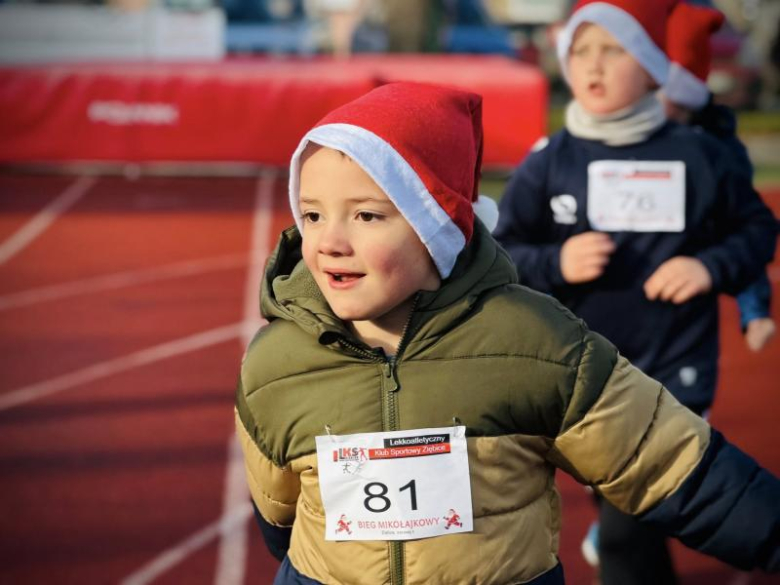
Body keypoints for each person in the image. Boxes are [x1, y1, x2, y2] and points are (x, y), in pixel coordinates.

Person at [235, 81, 779, 584]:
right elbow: (281, 521)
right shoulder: (276, 364)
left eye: (367, 216)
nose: (329, 241)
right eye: (310, 215)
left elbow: (673, 468)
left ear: (436, 227)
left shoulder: (536, 344)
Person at [492, 0, 778, 583]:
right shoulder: (549, 163)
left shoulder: (699, 155)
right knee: (630, 517)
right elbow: (499, 256)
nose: (593, 66)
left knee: (628, 523)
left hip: (676, 367)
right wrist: (556, 260)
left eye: (613, 50)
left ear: (652, 67)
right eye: (581, 51)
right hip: (586, 373)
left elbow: (756, 230)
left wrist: (709, 266)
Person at [660, 1, 776, 353]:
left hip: (683, 326)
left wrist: (754, 309)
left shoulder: (717, 152)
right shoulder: (582, 148)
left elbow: (744, 229)